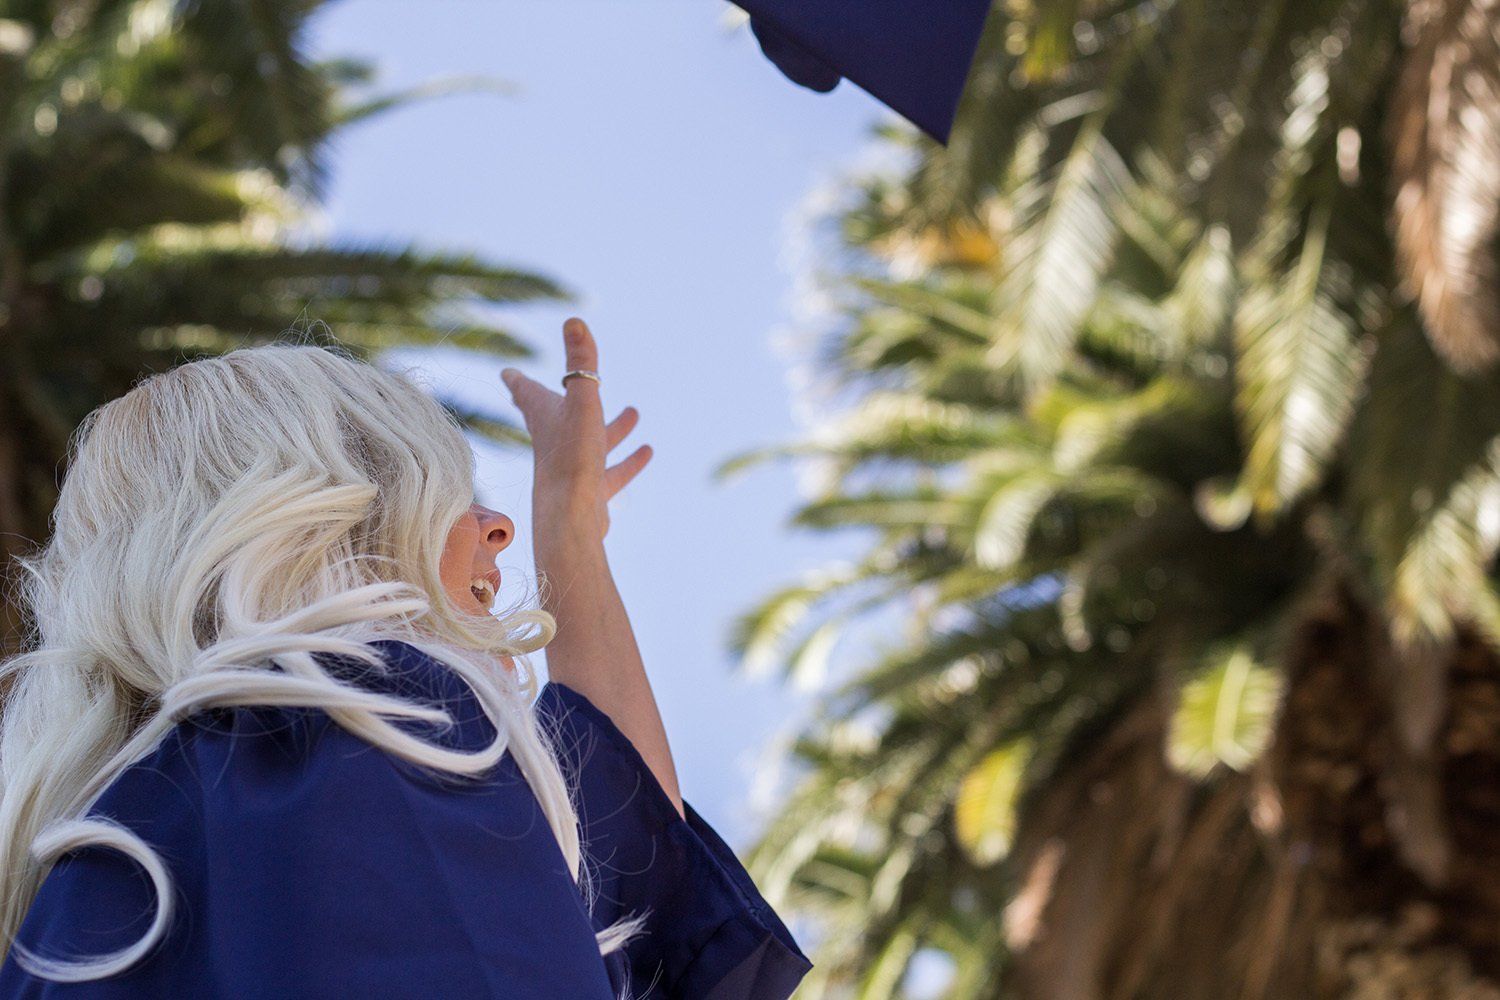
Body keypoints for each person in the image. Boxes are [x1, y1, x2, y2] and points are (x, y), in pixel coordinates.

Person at [0, 318, 813, 999]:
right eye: (445, 487)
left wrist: (571, 529)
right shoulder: (367, 724)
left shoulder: (83, 879)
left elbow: (627, 836)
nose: (499, 528)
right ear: (327, 512)